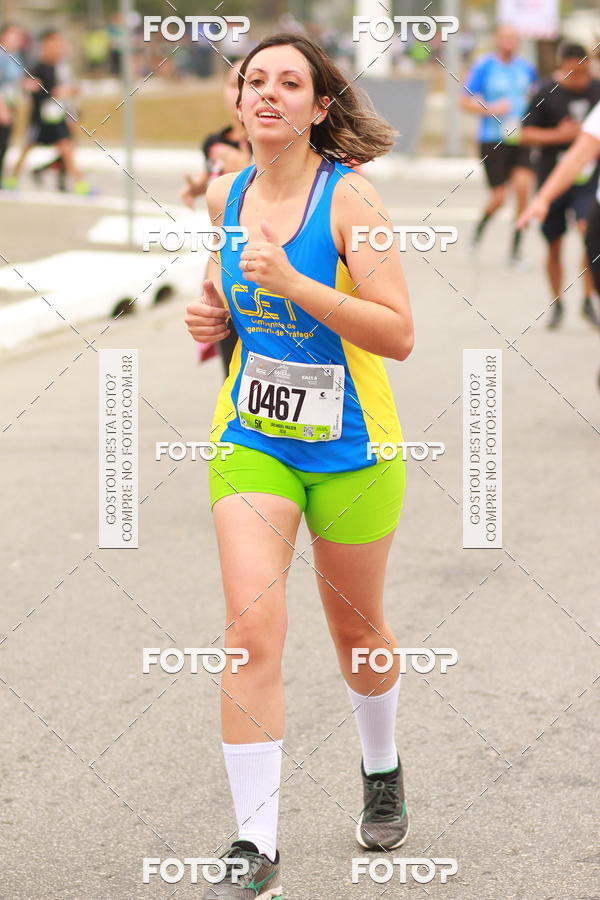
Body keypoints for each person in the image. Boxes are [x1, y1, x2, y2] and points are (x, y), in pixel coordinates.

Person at [184, 32, 414, 899]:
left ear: (322, 106)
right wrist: (215, 318)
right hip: (254, 441)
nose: (269, 94)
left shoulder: (351, 201)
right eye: (256, 82)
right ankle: (255, 846)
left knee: (358, 633)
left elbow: (398, 332)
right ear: (239, 102)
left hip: (356, 447)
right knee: (251, 630)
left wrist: (293, 282)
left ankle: (382, 763)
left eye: (292, 83)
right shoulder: (224, 194)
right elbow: (227, 289)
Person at [519, 43, 600, 328]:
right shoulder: (544, 93)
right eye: (572, 72)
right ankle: (558, 302)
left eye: (584, 71)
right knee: (554, 244)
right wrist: (560, 135)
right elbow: (524, 134)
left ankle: (589, 298)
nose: (579, 78)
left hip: (590, 179)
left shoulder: (597, 89)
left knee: (587, 231)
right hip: (553, 175)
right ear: (561, 68)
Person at [181, 58, 251, 376]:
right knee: (230, 357)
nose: (238, 92)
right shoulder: (213, 142)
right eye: (231, 84)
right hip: (223, 253)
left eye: (249, 84)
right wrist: (197, 186)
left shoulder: (270, 140)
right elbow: (213, 177)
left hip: (265, 254)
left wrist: (244, 161)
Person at [460, 24, 537, 263]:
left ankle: (516, 251)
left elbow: (534, 96)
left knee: (524, 191)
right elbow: (464, 101)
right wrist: (491, 109)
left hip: (520, 138)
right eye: (504, 37)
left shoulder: (526, 68)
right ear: (497, 39)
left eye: (513, 38)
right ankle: (476, 235)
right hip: (492, 139)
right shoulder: (485, 65)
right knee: (499, 197)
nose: (509, 42)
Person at [8, 29, 91, 194]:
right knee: (27, 147)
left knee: (67, 148)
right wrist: (51, 90)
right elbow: (33, 87)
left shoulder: (59, 67)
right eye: (54, 44)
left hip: (56, 116)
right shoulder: (37, 67)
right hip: (39, 118)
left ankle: (80, 185)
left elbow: (67, 89)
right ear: (45, 46)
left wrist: (69, 92)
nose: (58, 48)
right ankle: (11, 179)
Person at [0, 23, 25, 187]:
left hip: (10, 106)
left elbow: (15, 81)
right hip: (2, 107)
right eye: (13, 35)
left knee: (5, 143)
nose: (17, 40)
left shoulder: (15, 56)